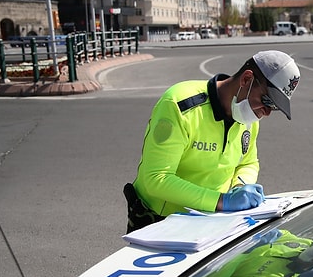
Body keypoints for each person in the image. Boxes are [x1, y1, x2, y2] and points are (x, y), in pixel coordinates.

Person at [124, 50, 301, 233]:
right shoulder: (179, 103)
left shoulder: (249, 119)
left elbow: (249, 162)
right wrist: (223, 201)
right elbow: (156, 178)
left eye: (274, 108)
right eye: (267, 101)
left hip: (213, 220)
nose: (267, 112)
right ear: (246, 80)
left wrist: (240, 187)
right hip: (160, 222)